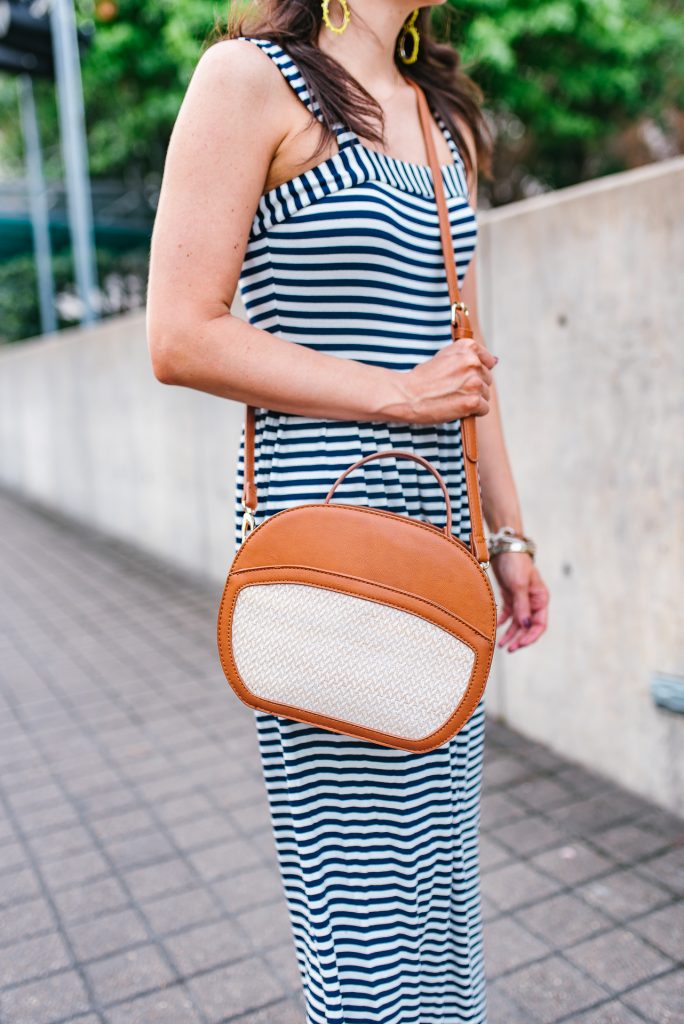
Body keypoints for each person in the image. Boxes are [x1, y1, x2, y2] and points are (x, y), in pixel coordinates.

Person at [146, 1, 550, 1020]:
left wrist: (508, 537)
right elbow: (181, 334)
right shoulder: (249, 82)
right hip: (325, 554)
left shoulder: (443, 116)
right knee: (363, 910)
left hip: (442, 553)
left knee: (438, 895)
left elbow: (464, 359)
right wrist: (395, 394)